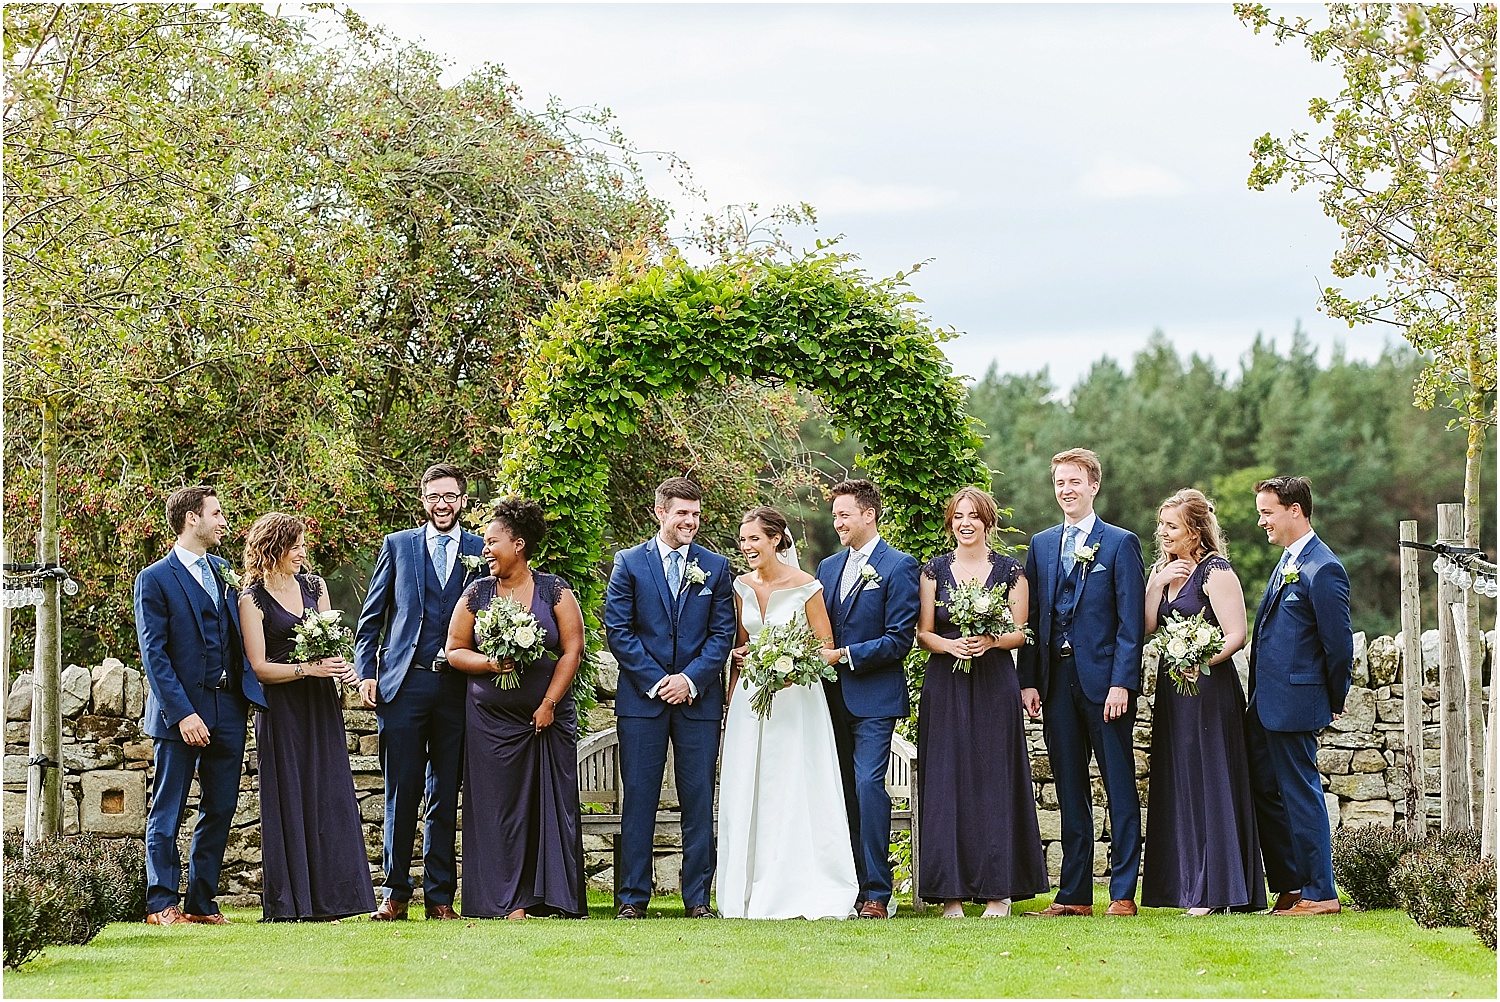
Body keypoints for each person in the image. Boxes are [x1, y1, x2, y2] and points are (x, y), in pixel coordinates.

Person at [353, 463, 485, 921]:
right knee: (400, 792)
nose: (442, 504)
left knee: (445, 794)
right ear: (423, 499)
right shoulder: (398, 546)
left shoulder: (479, 551)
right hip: (403, 686)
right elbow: (370, 620)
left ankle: (440, 897)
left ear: (463, 500)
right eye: (434, 496)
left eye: (450, 496)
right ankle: (394, 894)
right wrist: (365, 673)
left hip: (458, 689)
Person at [1018, 448, 1145, 918]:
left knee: (1118, 786)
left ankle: (1123, 893)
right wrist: (1028, 681)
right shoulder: (1043, 544)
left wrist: (1122, 684)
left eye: (1074, 482)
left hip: (1105, 684)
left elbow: (1131, 624)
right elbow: (1031, 620)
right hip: (1056, 684)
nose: (1065, 491)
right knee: (1070, 788)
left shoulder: (1120, 544)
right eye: (1059, 483)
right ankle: (1073, 896)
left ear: (1093, 485)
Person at [446, 499, 588, 919]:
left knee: (548, 805)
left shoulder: (554, 590)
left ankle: (549, 897)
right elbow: (454, 651)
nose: (485, 549)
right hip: (490, 723)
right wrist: (492, 664)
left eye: (493, 542)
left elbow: (572, 649)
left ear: (519, 544)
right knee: (496, 811)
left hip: (546, 721)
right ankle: (505, 901)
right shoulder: (476, 593)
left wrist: (548, 704)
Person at [717, 506, 859, 919]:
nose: (747, 547)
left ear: (776, 539)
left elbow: (824, 645)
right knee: (750, 787)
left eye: (754, 539)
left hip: (797, 700)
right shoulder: (740, 586)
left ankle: (800, 884)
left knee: (793, 784)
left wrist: (793, 670)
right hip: (750, 700)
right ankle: (746, 889)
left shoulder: (806, 586)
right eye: (743, 540)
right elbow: (740, 648)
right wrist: (731, 698)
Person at [604, 477, 736, 919]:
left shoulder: (715, 567)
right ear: (660, 513)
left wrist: (691, 680)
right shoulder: (628, 563)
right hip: (643, 702)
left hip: (698, 703)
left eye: (696, 514)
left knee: (698, 799)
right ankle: (631, 899)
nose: (691, 522)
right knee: (638, 797)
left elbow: (722, 635)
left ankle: (698, 899)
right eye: (683, 513)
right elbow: (619, 631)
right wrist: (659, 680)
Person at [135, 486, 267, 926]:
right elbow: (154, 655)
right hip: (181, 713)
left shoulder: (224, 569)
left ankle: (202, 902)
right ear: (192, 519)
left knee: (221, 807)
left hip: (228, 707)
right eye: (216, 513)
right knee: (168, 808)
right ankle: (160, 904)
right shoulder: (154, 578)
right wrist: (184, 712)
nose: (223, 521)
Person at [915, 486, 1048, 918]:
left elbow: (1021, 633)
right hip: (946, 683)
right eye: (957, 516)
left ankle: (998, 891)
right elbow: (924, 632)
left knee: (995, 781)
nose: (965, 523)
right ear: (951, 522)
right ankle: (950, 893)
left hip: (994, 683)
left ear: (987, 521)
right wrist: (949, 647)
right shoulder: (934, 571)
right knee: (946, 781)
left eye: (973, 515)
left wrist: (990, 641)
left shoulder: (1012, 571)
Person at [238, 512, 376, 921]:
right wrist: (306, 670)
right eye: (295, 546)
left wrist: (342, 668)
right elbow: (259, 667)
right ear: (273, 549)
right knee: (290, 796)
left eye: (302, 545)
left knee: (328, 794)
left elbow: (330, 642)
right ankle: (292, 903)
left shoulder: (315, 586)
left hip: (320, 704)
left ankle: (337, 899)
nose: (302, 553)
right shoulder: (251, 599)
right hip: (281, 710)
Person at [1138, 489, 1265, 915]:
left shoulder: (1217, 572)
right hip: (1173, 691)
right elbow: (1145, 628)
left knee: (1212, 780)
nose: (1163, 533)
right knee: (1180, 781)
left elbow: (1236, 635)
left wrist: (1199, 659)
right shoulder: (1161, 569)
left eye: (1171, 526)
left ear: (1195, 531)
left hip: (1209, 690)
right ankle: (1184, 885)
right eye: (1162, 526)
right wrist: (1155, 584)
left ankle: (1217, 887)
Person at [1246, 476, 1352, 916]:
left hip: (1296, 703)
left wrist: (1330, 699)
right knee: (1266, 791)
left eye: (1267, 512)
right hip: (1267, 704)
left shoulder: (1323, 567)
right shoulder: (1289, 560)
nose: (1261, 521)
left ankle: (1321, 892)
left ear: (1295, 510)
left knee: (1301, 794)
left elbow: (1339, 646)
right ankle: (1291, 886)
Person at [815, 479, 920, 919]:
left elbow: (899, 640)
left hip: (875, 697)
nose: (837, 522)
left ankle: (878, 891)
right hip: (828, 699)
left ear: (867, 515)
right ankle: (848, 887)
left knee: (867, 786)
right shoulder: (826, 568)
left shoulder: (898, 566)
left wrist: (845, 655)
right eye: (835, 515)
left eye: (844, 514)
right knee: (838, 792)